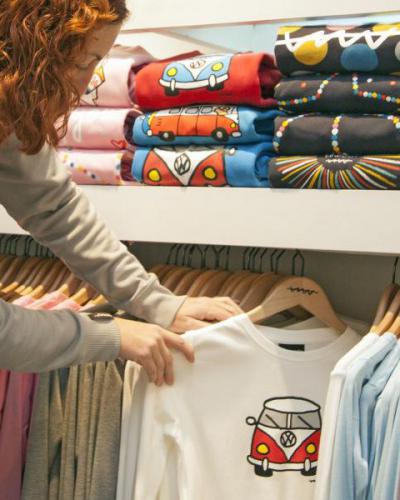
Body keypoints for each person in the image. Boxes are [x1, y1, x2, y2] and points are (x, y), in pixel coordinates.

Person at [0, 0, 241, 386]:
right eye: (83, 63)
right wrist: (109, 335)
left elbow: (55, 208)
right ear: (35, 45)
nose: (85, 87)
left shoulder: (11, 112)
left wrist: (157, 302)